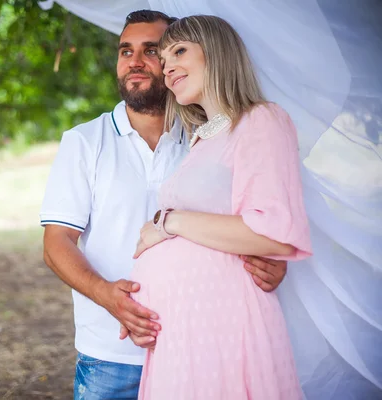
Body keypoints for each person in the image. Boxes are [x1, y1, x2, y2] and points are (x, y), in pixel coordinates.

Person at [40, 10, 289, 399]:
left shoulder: (206, 135)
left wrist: (271, 263)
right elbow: (56, 244)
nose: (135, 61)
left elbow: (256, 219)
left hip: (199, 346)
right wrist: (109, 297)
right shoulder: (85, 141)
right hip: (112, 354)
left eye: (153, 50)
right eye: (125, 51)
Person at [127, 15, 312, 399]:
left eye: (179, 51)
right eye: (165, 59)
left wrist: (169, 222)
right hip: (185, 327)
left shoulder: (261, 119)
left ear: (218, 52)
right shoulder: (204, 138)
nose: (168, 66)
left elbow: (271, 234)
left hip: (223, 324)